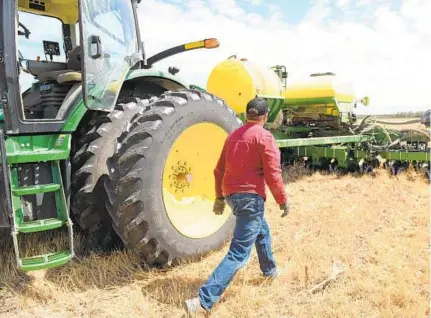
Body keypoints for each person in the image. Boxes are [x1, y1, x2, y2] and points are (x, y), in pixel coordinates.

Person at [184, 97, 290, 316]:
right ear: (266, 115)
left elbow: (218, 170)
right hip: (251, 198)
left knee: (261, 231)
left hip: (233, 195)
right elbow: (273, 174)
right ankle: (202, 302)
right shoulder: (264, 137)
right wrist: (283, 200)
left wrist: (219, 198)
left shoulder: (233, 136)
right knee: (239, 253)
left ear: (246, 114)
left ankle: (269, 271)